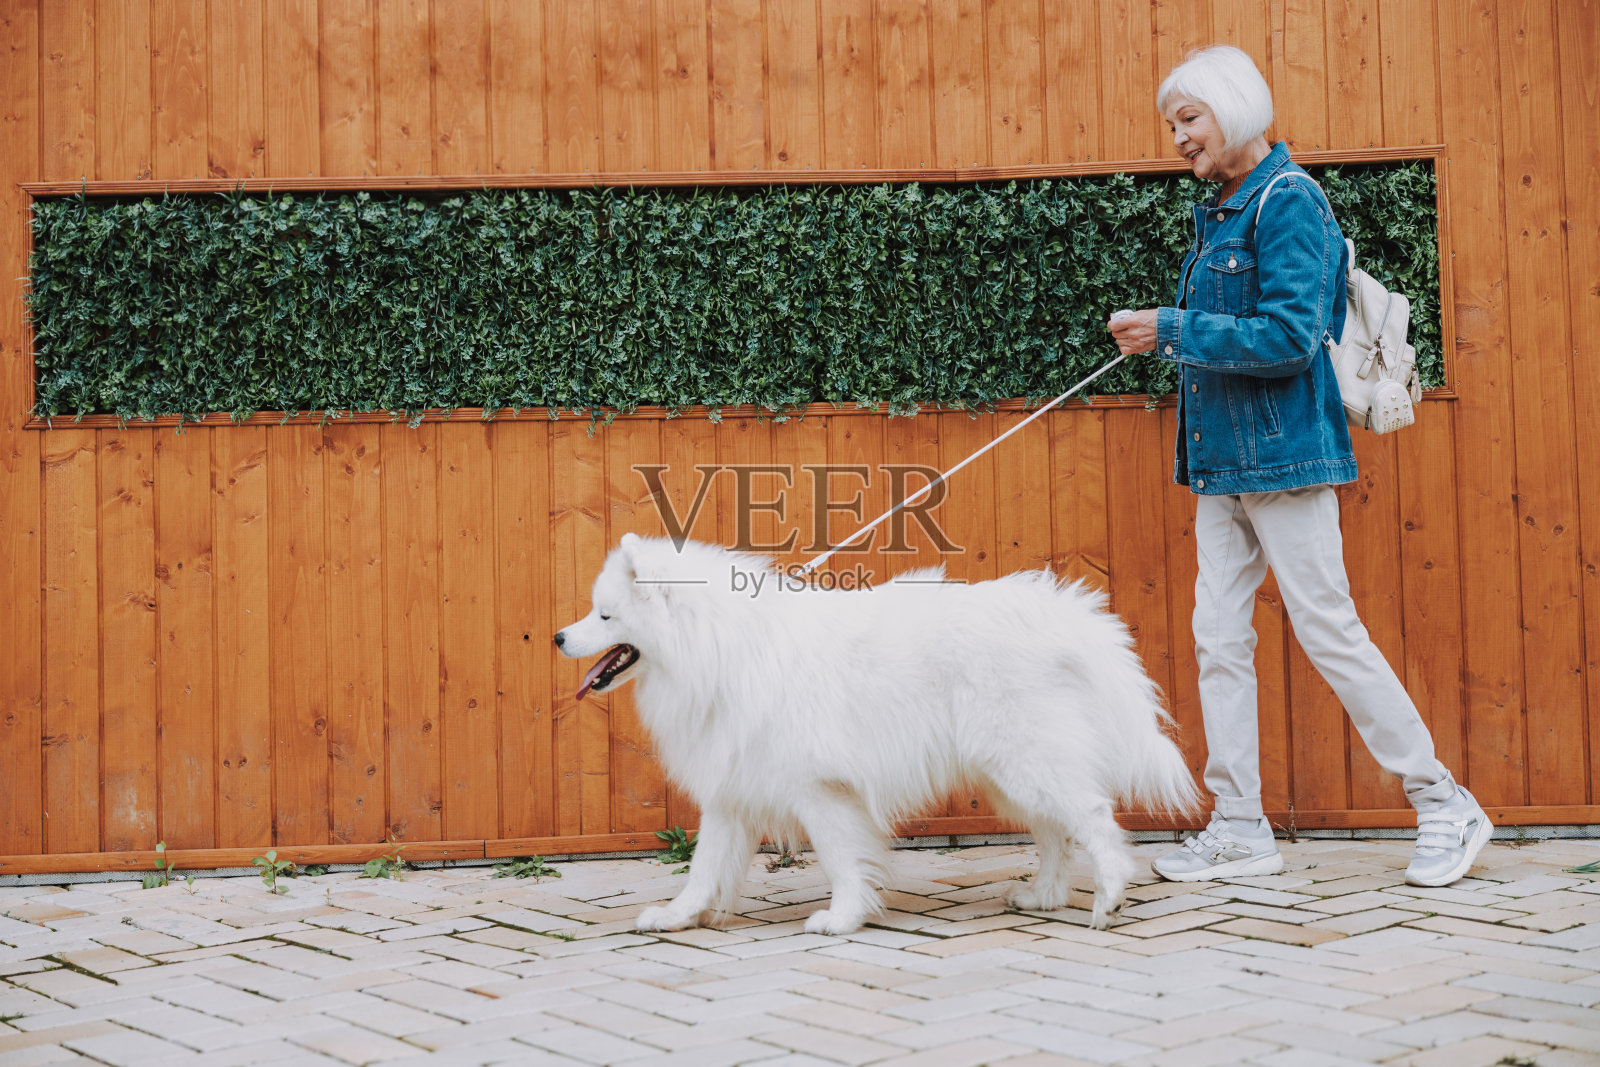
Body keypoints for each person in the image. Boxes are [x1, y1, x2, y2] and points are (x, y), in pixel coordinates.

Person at [1107, 45, 1490, 887]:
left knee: (1328, 629)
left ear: (1234, 107)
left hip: (1286, 459)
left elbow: (1287, 339)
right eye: (1173, 124)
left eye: (1190, 118)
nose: (1179, 137)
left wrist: (1170, 328)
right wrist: (1170, 333)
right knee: (1218, 640)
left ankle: (1443, 800)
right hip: (1220, 468)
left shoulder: (1289, 202)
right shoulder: (1223, 210)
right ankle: (1240, 824)